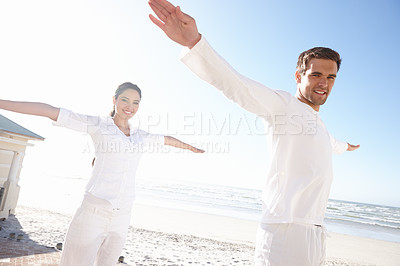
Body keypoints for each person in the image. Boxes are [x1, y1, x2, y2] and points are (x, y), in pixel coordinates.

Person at [148, 1, 360, 265]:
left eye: (331, 77)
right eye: (316, 74)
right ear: (298, 76)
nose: (323, 83)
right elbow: (237, 85)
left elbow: (333, 144)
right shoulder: (283, 106)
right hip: (285, 229)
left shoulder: (320, 127)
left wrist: (348, 146)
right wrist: (194, 43)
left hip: (315, 229)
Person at [0, 81, 204, 266]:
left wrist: (190, 147)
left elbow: (166, 139)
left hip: (122, 215)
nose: (130, 106)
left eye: (136, 102)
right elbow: (50, 111)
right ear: (114, 100)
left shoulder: (140, 136)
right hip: (93, 213)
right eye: (124, 99)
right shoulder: (98, 125)